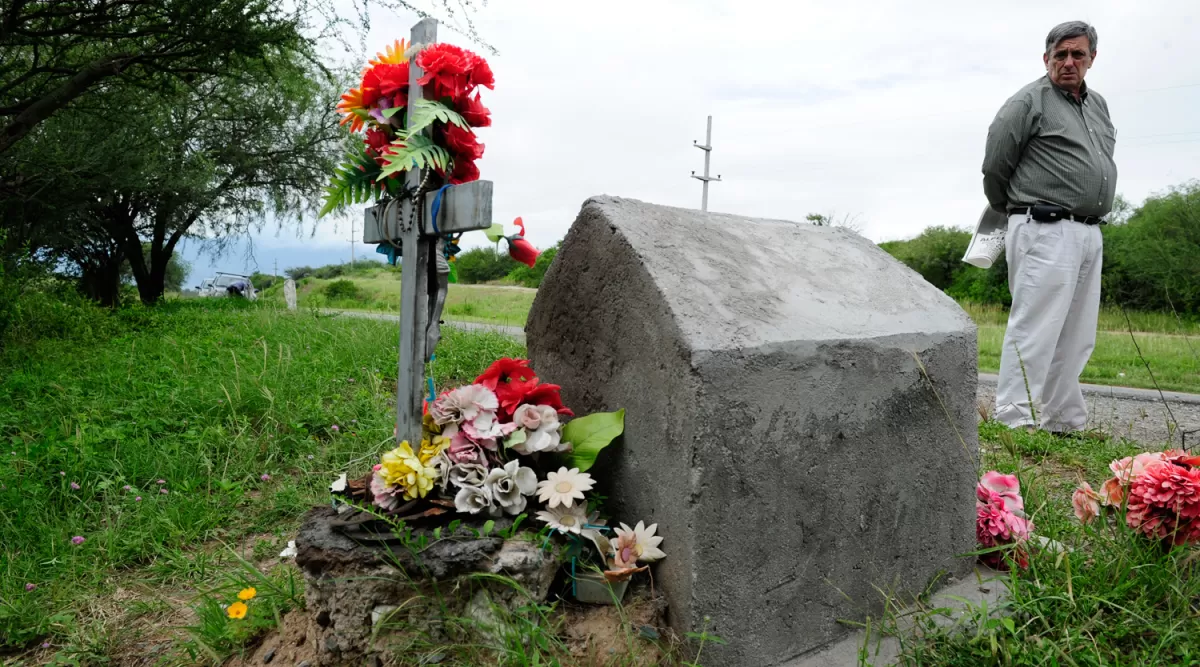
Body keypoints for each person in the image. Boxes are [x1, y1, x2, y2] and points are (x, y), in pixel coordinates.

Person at [981, 21, 1117, 433]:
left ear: (1092, 58)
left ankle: (1062, 421)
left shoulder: (1098, 106)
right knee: (1035, 328)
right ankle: (1016, 422)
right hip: (1043, 227)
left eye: (1078, 54)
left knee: (1077, 334)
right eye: (1060, 55)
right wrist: (1017, 211)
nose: (1069, 62)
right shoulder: (1028, 101)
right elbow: (995, 166)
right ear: (1046, 59)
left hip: (1089, 231)